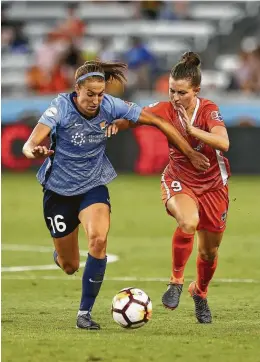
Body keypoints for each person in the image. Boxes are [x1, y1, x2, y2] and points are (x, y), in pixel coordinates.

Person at [22, 60, 209, 331]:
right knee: (70, 265)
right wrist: (34, 151)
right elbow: (30, 143)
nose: (96, 100)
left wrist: (190, 153)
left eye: (100, 94)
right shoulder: (60, 106)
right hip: (58, 192)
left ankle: (84, 313)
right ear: (77, 90)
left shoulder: (110, 105)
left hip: (93, 186)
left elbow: (156, 120)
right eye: (90, 94)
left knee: (98, 240)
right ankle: (61, 255)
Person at [115, 52, 230, 324]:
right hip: (179, 179)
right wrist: (114, 124)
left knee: (209, 252)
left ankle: (199, 292)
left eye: (181, 92)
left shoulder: (208, 109)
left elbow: (223, 143)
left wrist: (192, 130)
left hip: (214, 185)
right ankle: (176, 281)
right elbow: (134, 117)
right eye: (171, 91)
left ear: (196, 91)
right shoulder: (165, 109)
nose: (175, 97)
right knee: (188, 222)